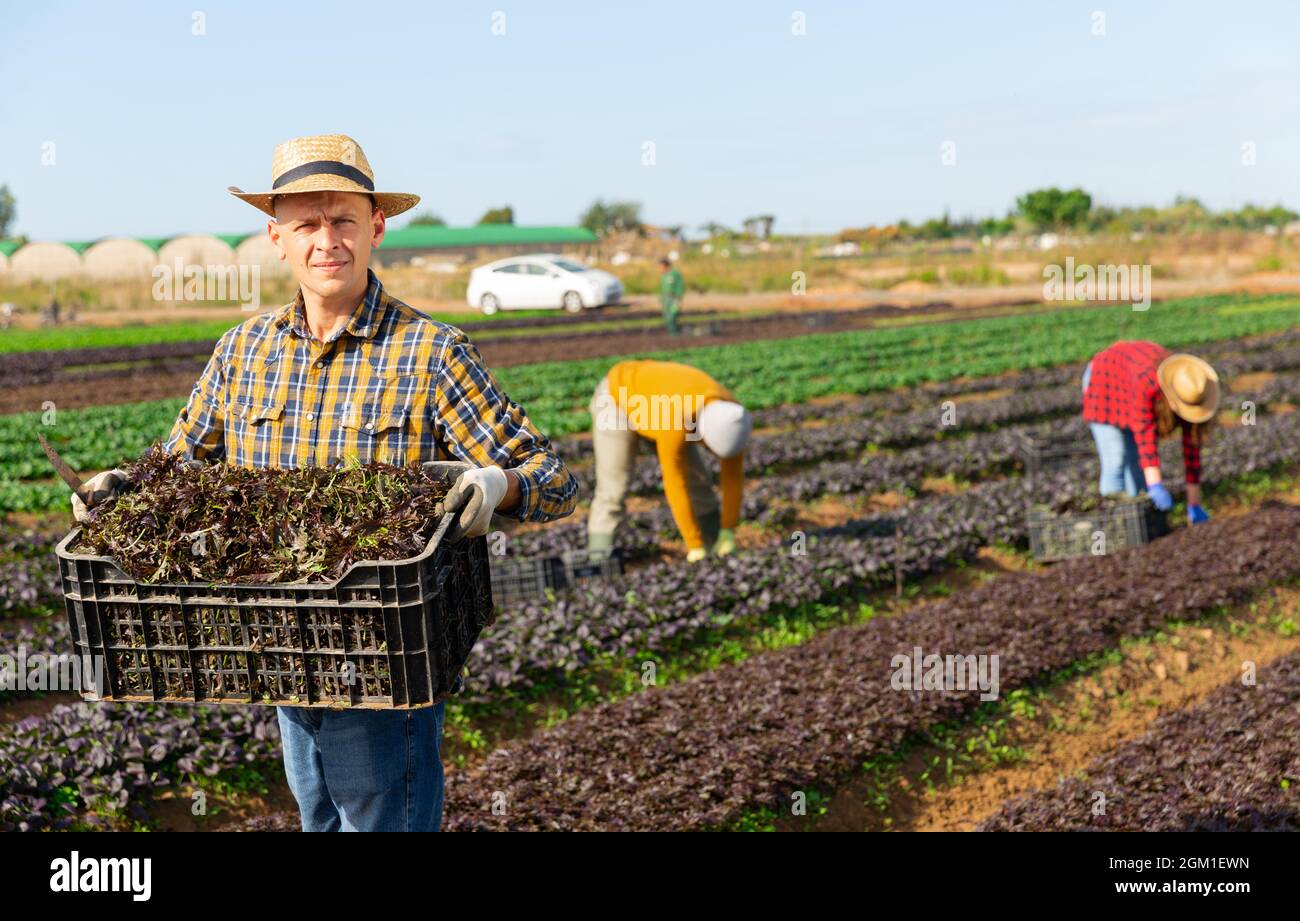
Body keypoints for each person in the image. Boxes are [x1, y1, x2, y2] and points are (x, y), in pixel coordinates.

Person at [70, 134, 578, 831]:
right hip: (280, 653)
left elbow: (553, 477)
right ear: (276, 237)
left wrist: (498, 486)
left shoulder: (431, 352)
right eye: (306, 223)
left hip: (384, 662)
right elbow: (179, 462)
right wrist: (118, 486)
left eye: (342, 219)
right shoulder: (244, 350)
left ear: (376, 227)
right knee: (319, 819)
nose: (326, 240)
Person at [587, 359, 751, 561]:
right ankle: (599, 560)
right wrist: (694, 545)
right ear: (701, 434)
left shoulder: (733, 416)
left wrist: (728, 530)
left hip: (658, 399)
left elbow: (733, 477)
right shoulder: (675, 422)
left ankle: (714, 544)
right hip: (617, 399)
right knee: (613, 488)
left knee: (698, 479)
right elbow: (675, 482)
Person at [1081, 341, 1218, 524]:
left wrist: (1194, 503)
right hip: (1104, 381)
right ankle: (1113, 525)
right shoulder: (1147, 382)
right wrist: (1155, 486)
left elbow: (1192, 449)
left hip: (1128, 383)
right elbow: (1145, 436)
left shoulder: (1190, 389)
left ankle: (1137, 524)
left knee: (1137, 464)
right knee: (1116, 459)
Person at [658, 257, 685, 335]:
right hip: (666, 300)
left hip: (674, 299)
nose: (660, 268)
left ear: (666, 265)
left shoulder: (675, 274)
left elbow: (680, 287)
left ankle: (675, 334)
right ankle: (671, 334)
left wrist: (678, 299)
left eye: (661, 266)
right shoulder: (663, 276)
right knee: (666, 317)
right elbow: (663, 288)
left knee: (672, 316)